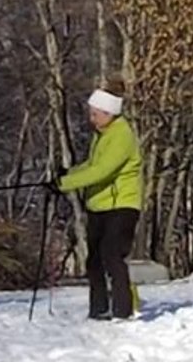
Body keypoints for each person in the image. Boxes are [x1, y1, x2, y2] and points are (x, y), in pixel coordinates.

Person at [55, 82, 144, 321]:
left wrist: (64, 185)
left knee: (112, 255)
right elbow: (91, 166)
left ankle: (123, 310)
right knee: (94, 259)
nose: (91, 118)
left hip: (121, 206)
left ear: (109, 113)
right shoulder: (101, 136)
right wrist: (68, 174)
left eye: (95, 114)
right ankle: (99, 309)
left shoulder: (122, 135)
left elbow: (103, 171)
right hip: (99, 206)